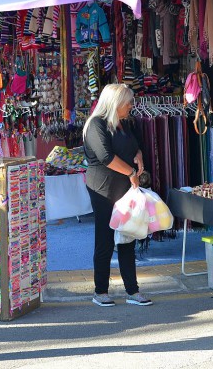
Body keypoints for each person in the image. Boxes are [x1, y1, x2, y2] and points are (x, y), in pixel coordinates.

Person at [83, 83, 152, 307]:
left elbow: (135, 146)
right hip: (103, 188)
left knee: (127, 238)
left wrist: (139, 155)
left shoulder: (123, 124)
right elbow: (105, 157)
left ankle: (132, 290)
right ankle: (100, 290)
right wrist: (132, 172)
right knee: (104, 238)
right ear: (116, 103)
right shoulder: (96, 124)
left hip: (124, 187)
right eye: (128, 102)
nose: (132, 106)